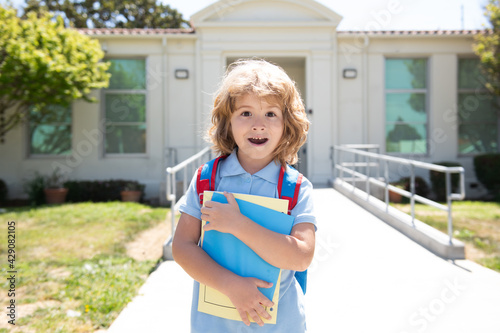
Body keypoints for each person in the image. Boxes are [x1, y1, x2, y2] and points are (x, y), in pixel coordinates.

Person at [172, 59, 316, 332]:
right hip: (214, 325)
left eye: (271, 114)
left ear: (288, 124)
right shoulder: (207, 178)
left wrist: (238, 225)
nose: (258, 125)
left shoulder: (297, 187)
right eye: (246, 113)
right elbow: (182, 247)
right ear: (228, 123)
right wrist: (232, 286)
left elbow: (301, 257)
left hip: (281, 325)